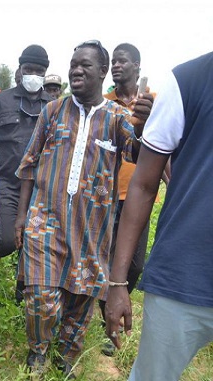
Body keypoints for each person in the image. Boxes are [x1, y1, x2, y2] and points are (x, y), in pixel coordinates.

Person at [13, 40, 146, 377]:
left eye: (85, 65)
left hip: (92, 228)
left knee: (80, 298)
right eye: (73, 64)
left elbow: (138, 154)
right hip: (46, 220)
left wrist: (143, 127)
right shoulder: (53, 111)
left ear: (104, 72)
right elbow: (29, 166)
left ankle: (67, 357)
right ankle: (38, 352)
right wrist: (20, 218)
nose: (76, 70)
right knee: (42, 296)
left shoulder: (117, 118)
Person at [106, 51, 213, 381]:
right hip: (184, 276)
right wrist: (116, 282)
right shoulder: (188, 81)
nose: (117, 66)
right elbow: (146, 181)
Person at [0, 44, 53, 302]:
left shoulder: (55, 107)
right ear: (20, 70)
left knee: (33, 243)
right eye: (29, 69)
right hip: (6, 183)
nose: (33, 74)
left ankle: (22, 296)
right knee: (8, 240)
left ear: (45, 73)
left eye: (39, 71)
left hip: (41, 187)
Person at [98, 42, 155, 356]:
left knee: (133, 265)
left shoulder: (153, 103)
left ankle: (113, 303)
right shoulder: (104, 104)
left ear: (137, 65)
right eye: (113, 62)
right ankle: (110, 325)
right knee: (105, 261)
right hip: (106, 196)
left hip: (139, 198)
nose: (116, 66)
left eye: (122, 61)